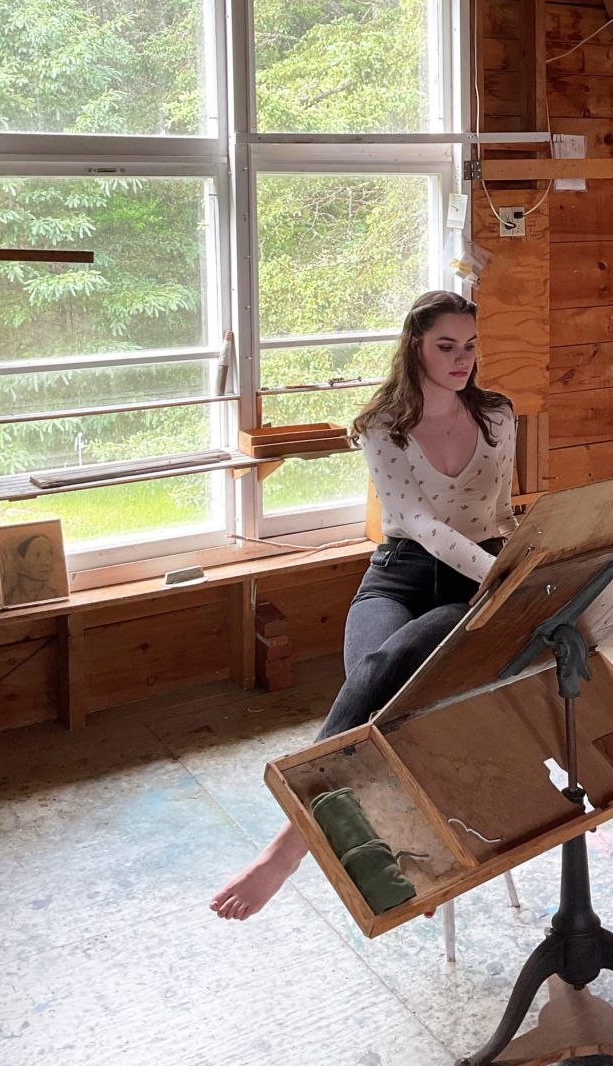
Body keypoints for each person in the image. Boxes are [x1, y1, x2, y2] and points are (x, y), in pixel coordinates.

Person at [210, 290, 517, 921]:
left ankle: (291, 845)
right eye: (445, 346)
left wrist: (505, 575)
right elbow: (411, 520)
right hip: (401, 574)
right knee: (377, 673)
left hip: (473, 583)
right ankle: (411, 844)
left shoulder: (496, 415)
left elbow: (501, 512)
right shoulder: (383, 425)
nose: (462, 359)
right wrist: (496, 573)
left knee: (405, 673)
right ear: (414, 346)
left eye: (470, 345)